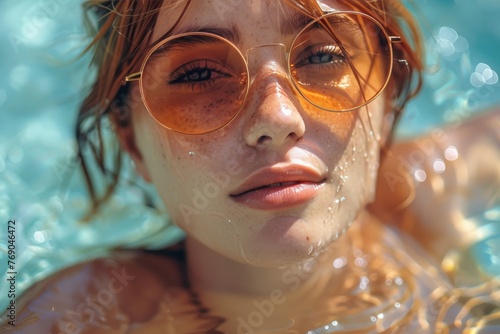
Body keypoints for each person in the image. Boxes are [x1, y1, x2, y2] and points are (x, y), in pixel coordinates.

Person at [5, 0, 499, 333]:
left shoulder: (428, 193)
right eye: (199, 74)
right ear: (132, 141)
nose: (276, 118)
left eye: (323, 56)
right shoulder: (84, 316)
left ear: (389, 101)